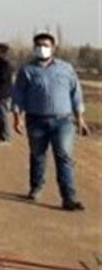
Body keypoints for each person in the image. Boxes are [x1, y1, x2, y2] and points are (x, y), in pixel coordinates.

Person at [11, 33, 88, 211]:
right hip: (36, 120)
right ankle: (36, 187)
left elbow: (76, 94)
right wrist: (17, 118)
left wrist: (80, 119)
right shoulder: (27, 71)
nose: (42, 48)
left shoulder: (66, 69)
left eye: (45, 45)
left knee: (64, 157)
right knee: (38, 155)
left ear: (53, 48)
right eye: (38, 45)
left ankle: (68, 198)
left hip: (63, 121)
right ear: (34, 48)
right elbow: (18, 95)